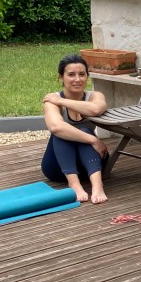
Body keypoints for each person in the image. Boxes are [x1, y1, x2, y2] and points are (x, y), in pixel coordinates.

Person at [41, 54, 109, 204]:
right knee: (61, 133)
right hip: (58, 168)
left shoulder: (95, 96)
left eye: (82, 74)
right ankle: (74, 184)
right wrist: (93, 140)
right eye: (71, 74)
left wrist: (62, 101)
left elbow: (96, 109)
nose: (77, 79)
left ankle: (98, 186)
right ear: (61, 77)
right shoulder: (51, 100)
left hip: (92, 165)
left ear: (87, 76)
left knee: (82, 131)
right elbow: (55, 127)